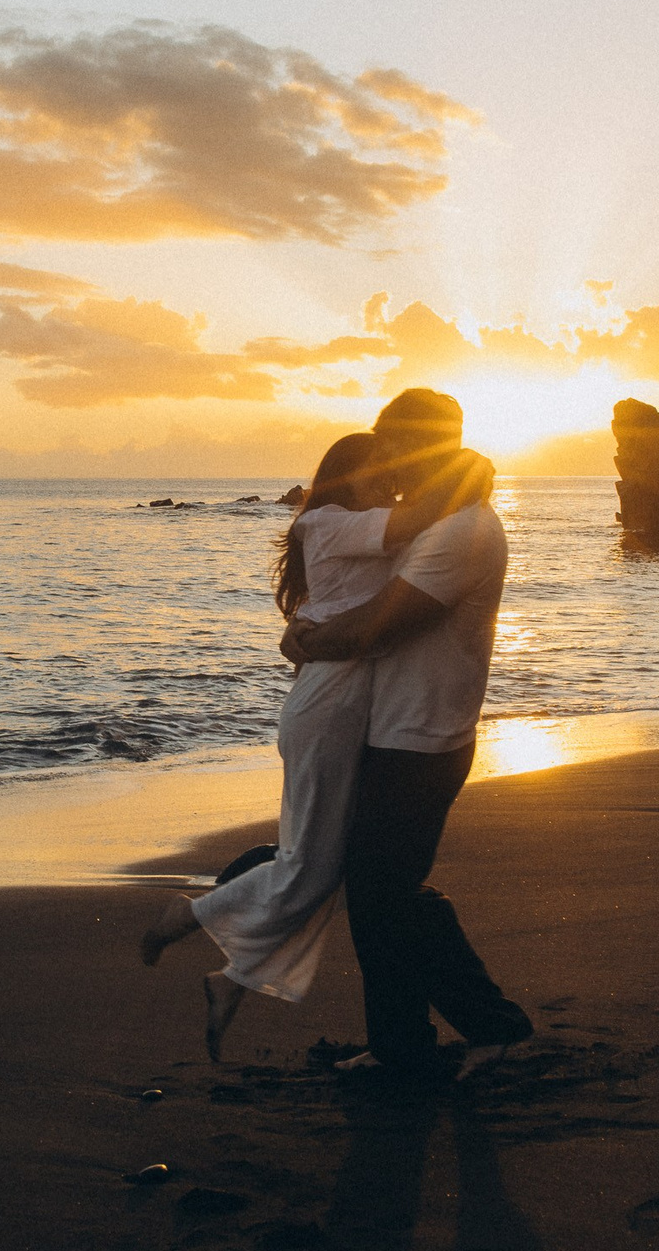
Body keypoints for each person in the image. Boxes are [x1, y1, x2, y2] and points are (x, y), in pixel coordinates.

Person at [140, 430, 492, 1060]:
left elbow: (412, 557)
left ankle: (234, 979)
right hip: (329, 705)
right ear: (342, 478)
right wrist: (474, 465)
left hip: (355, 708)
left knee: (327, 864)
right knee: (314, 865)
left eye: (397, 468)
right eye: (377, 471)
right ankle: (191, 921)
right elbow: (418, 520)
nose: (389, 482)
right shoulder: (331, 522)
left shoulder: (374, 525)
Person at [281, 388, 533, 1082]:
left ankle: (492, 1027)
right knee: (384, 895)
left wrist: (304, 642)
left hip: (424, 738)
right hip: (392, 732)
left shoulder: (463, 531)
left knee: (386, 896)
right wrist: (307, 629)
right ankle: (400, 1043)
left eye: (389, 445)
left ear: (410, 446)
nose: (382, 460)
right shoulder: (435, 520)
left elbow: (379, 626)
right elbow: (358, 600)